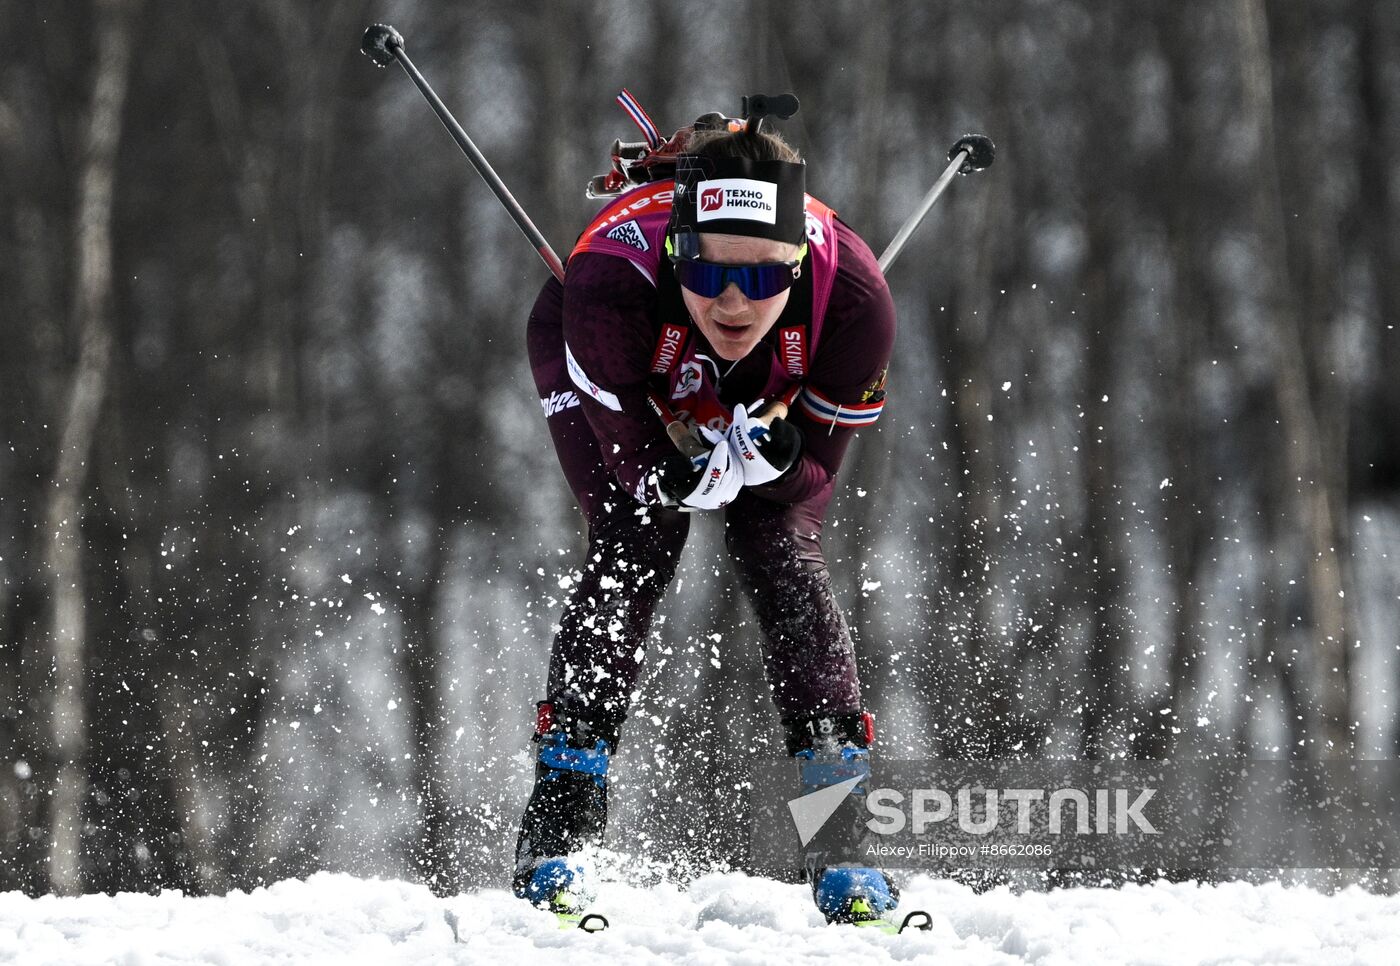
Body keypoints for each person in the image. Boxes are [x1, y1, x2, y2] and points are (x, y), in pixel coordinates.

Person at [515, 95, 898, 924]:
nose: (731, 303)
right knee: (641, 527)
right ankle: (559, 824)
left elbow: (808, 499)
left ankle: (841, 841)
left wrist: (786, 459)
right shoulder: (613, 286)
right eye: (709, 272)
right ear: (675, 255)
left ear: (796, 265)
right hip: (620, 359)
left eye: (759, 277)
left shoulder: (855, 304)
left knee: (776, 542)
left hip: (773, 380)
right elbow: (635, 463)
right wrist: (668, 471)